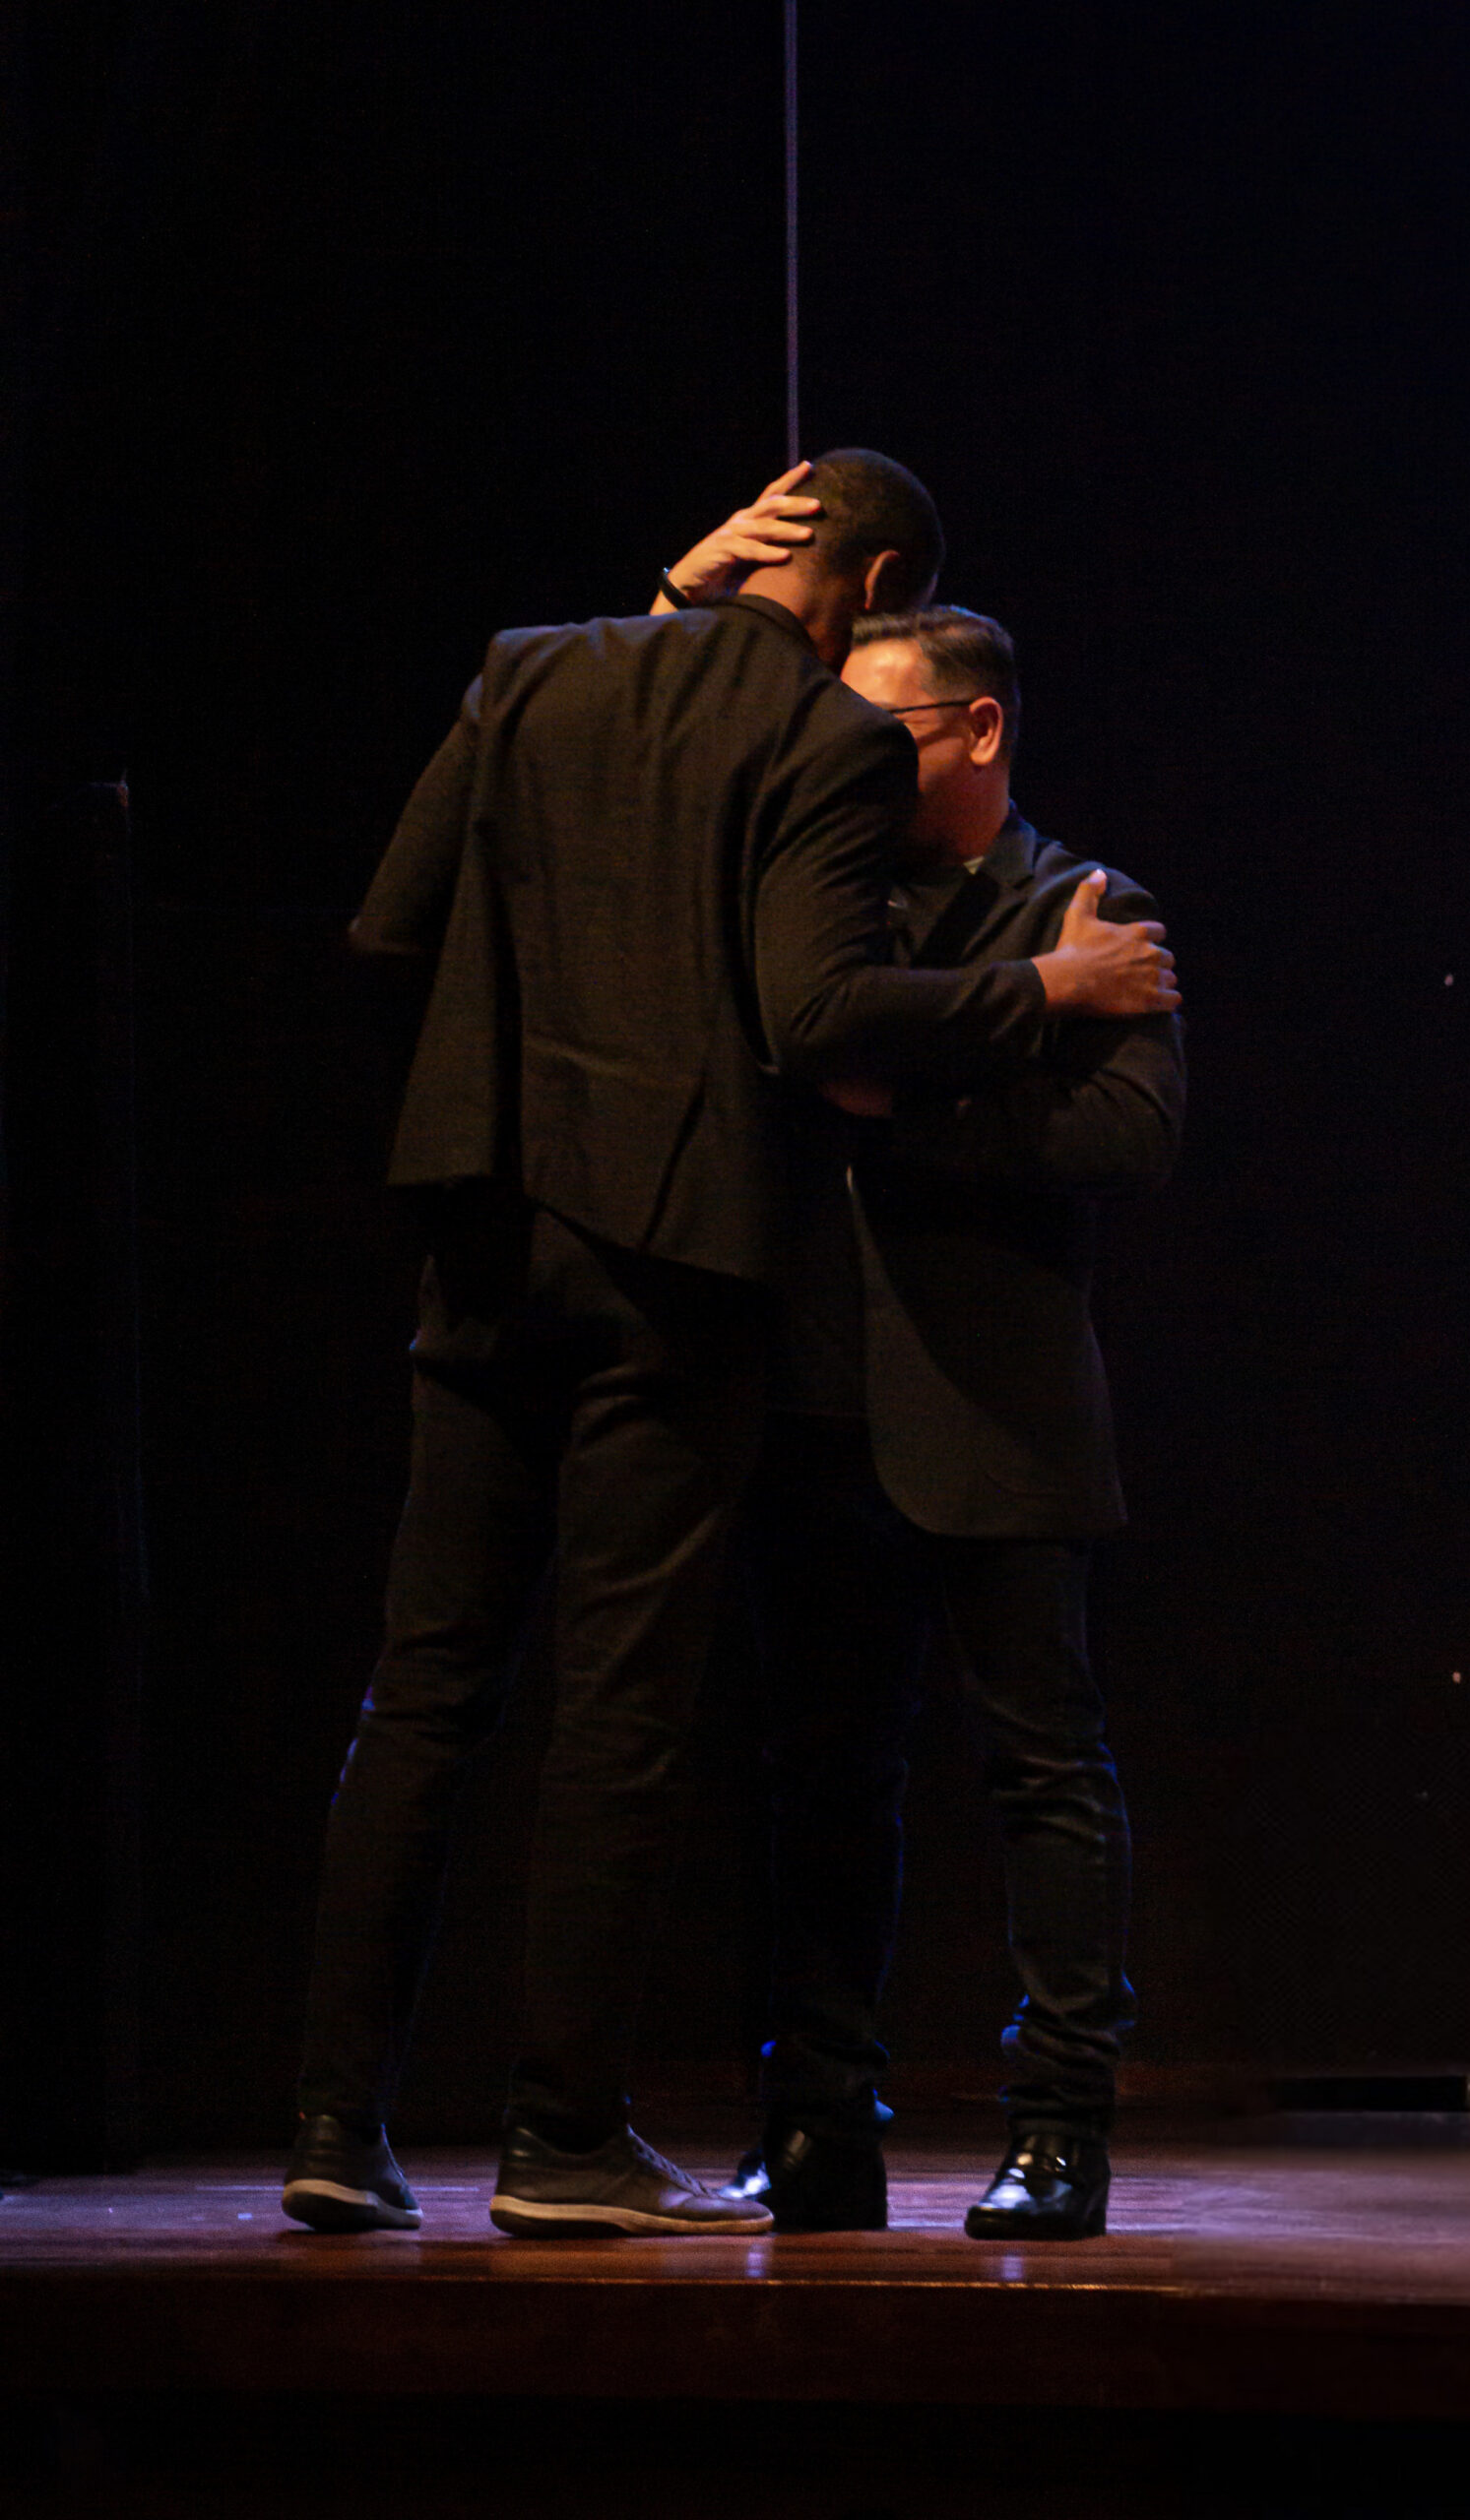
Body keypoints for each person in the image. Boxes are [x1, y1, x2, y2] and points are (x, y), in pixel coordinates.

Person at [282, 454, 1176, 2239]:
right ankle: (567, 2140)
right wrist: (1034, 999)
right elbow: (811, 1013)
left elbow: (390, 925)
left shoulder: (535, 669)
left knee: (428, 1689)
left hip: (499, 1227)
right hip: (680, 1267)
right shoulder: (812, 745)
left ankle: (331, 2121)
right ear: (873, 587)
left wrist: (663, 614)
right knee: (629, 1717)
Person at [712, 603, 1185, 2238]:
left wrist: (890, 1117)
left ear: (977, 729)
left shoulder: (1084, 901)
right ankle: (814, 2124)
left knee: (1041, 1771)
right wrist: (1004, 1041)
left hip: (997, 1406)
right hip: (818, 1397)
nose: (842, 768)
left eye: (879, 737)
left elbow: (1122, 1139)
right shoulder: (820, 902)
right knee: (819, 1779)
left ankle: (1058, 2124)